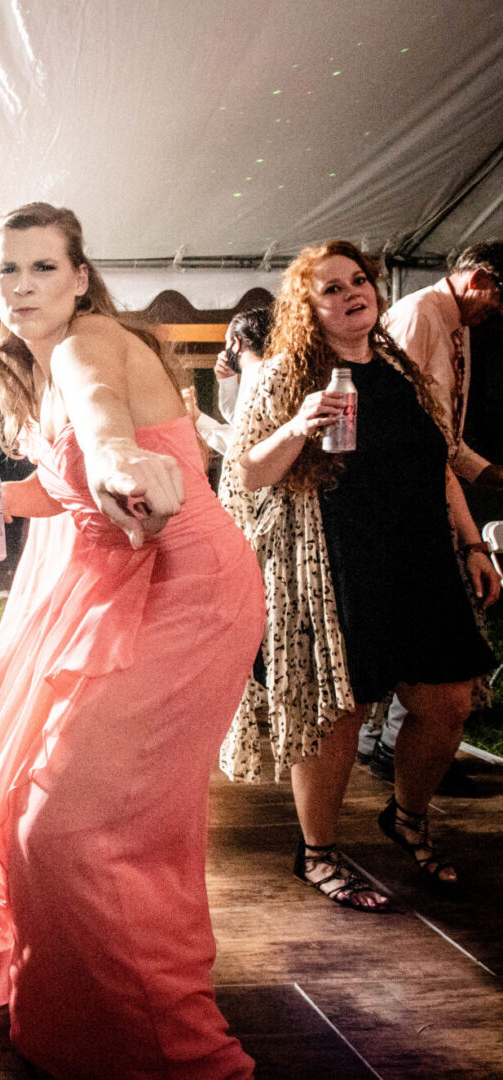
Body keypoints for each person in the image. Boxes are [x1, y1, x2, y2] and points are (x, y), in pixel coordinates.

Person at [0, 203, 262, 1080]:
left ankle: (177, 1051)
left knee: (71, 828)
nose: (20, 288)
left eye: (41, 268)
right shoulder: (36, 367)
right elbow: (67, 476)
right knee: (83, 817)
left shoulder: (86, 347)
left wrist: (123, 462)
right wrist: (8, 499)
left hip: (188, 592)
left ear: (80, 277)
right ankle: (93, 1019)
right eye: (5, 271)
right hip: (129, 585)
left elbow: (103, 430)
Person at [220, 240, 498, 910]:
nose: (352, 294)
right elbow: (243, 471)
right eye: (330, 289)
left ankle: (403, 817)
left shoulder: (398, 367)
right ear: (306, 310)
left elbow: (434, 463)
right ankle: (315, 851)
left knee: (447, 700)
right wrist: (296, 424)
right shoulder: (287, 371)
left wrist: (470, 544)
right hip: (337, 558)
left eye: (357, 281)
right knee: (338, 709)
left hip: (420, 555)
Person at [357, 239, 503, 784]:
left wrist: (491, 475)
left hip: (428, 487)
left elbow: (444, 439)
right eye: (502, 297)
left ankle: (386, 745)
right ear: (480, 278)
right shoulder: (419, 314)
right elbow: (408, 430)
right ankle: (397, 749)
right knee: (431, 625)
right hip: (408, 499)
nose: (500, 313)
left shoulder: (454, 323)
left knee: (408, 624)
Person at [193, 307, 272, 457]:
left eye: (227, 341)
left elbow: (242, 446)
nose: (224, 349)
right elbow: (239, 422)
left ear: (236, 343)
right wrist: (227, 381)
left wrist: (198, 419)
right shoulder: (257, 374)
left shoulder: (262, 378)